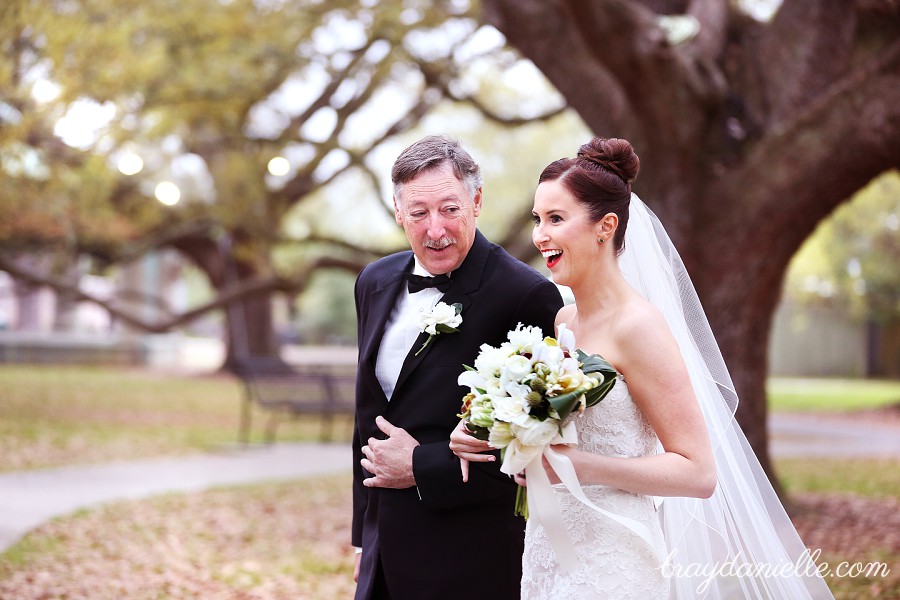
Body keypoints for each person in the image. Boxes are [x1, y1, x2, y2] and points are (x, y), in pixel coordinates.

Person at [451, 137, 835, 599]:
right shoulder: (564, 320)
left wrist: (577, 466)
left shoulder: (640, 327)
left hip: (614, 556)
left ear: (605, 226)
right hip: (549, 547)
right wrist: (492, 428)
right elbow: (558, 430)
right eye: (538, 219)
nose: (540, 235)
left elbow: (697, 473)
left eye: (556, 218)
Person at [352, 134, 564, 600]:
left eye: (449, 209)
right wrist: (362, 541)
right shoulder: (373, 281)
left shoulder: (526, 296)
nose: (435, 230)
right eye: (418, 213)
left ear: (477, 201)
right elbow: (368, 417)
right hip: (383, 552)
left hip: (472, 555)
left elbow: (535, 448)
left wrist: (420, 465)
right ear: (397, 211)